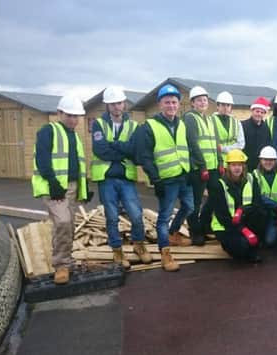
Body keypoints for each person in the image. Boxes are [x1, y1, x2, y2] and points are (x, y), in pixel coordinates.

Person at [32, 95, 92, 284]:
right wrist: (53, 183)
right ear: (59, 113)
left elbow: (78, 165)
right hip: (55, 188)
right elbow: (42, 160)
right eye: (70, 115)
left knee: (69, 226)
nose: (74, 120)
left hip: (72, 187)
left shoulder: (75, 136)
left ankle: (67, 260)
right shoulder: (48, 131)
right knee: (63, 222)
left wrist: (85, 188)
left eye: (77, 116)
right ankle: (61, 265)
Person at [91, 86, 151, 268]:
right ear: (107, 106)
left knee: (136, 215)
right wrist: (122, 150)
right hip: (106, 178)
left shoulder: (133, 125)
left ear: (124, 104)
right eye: (113, 104)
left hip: (126, 178)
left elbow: (134, 150)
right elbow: (100, 150)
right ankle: (117, 251)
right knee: (111, 217)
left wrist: (114, 146)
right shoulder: (98, 124)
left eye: (119, 103)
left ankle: (139, 246)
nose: (117, 107)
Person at [135, 84, 193, 272]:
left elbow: (186, 148)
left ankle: (173, 234)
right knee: (164, 216)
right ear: (160, 104)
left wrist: (190, 169)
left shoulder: (181, 124)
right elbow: (145, 156)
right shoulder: (150, 126)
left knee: (189, 206)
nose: (171, 105)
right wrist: (156, 179)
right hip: (166, 180)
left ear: (178, 104)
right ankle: (165, 253)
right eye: (167, 102)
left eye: (174, 102)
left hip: (183, 175)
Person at [210, 149, 265, 262]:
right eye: (233, 165)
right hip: (226, 226)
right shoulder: (219, 185)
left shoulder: (250, 179)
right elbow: (222, 216)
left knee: (262, 214)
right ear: (228, 167)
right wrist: (243, 230)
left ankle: (253, 247)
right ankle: (239, 246)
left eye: (240, 165)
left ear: (244, 166)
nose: (237, 168)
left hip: (245, 219)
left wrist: (243, 209)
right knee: (240, 250)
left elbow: (257, 203)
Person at [183, 86, 220, 245]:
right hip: (199, 169)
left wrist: (220, 162)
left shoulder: (210, 119)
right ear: (193, 103)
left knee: (216, 196)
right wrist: (203, 166)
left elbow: (216, 143)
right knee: (195, 202)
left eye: (205, 100)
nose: (203, 102)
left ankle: (205, 224)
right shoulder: (190, 118)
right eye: (199, 100)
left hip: (213, 167)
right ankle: (195, 231)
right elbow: (193, 143)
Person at [252, 146, 277, 247]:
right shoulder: (254, 175)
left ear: (276, 160)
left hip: (276, 216)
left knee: (270, 242)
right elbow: (256, 197)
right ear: (260, 160)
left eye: (271, 160)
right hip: (260, 215)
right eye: (265, 159)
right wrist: (275, 205)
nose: (268, 162)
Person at [211, 91, 245, 168]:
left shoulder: (236, 122)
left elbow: (241, 144)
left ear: (231, 107)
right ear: (217, 106)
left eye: (228, 105)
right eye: (223, 105)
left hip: (233, 161)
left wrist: (223, 149)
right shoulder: (210, 121)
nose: (225, 107)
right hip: (217, 162)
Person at [242, 97, 272, 170]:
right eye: (257, 111)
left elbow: (268, 145)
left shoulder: (266, 128)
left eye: (262, 112)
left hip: (261, 165)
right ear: (252, 111)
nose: (259, 114)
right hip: (245, 164)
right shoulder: (243, 125)